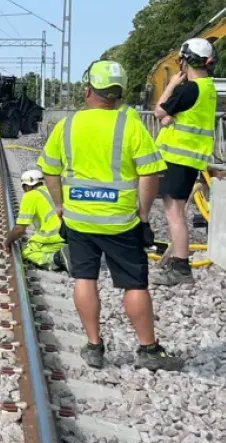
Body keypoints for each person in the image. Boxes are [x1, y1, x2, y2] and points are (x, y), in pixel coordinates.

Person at [37, 60, 181, 371]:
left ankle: (93, 346)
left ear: (88, 90)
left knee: (84, 278)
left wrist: (60, 204)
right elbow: (150, 173)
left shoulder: (68, 126)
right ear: (119, 95)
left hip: (78, 219)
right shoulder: (129, 124)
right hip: (121, 221)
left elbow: (49, 170)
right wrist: (142, 215)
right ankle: (148, 350)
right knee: (134, 284)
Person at [150, 38, 219, 286]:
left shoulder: (188, 89)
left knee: (175, 214)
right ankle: (175, 261)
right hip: (191, 159)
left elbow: (159, 111)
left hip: (176, 159)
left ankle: (180, 266)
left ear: (184, 60)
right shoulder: (207, 88)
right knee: (177, 213)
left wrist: (171, 85)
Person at [3, 170, 69, 271]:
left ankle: (56, 259)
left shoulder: (30, 195)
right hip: (72, 237)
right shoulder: (55, 190)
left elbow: (19, 229)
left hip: (53, 239)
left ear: (27, 186)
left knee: (26, 251)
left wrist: (8, 241)